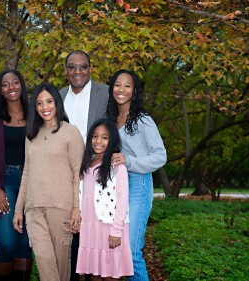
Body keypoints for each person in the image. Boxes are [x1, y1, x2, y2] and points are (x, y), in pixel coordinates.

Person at [13, 82, 84, 281]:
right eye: (39, 104)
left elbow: (77, 173)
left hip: (61, 208)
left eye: (49, 101)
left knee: (61, 270)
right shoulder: (31, 136)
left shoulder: (71, 132)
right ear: (34, 108)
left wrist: (77, 208)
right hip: (33, 209)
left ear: (57, 103)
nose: (45, 107)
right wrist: (18, 209)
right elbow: (27, 173)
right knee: (44, 262)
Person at [106, 70, 167, 281]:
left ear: (135, 91)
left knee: (131, 251)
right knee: (117, 249)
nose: (121, 90)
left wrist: (130, 161)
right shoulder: (110, 118)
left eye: (127, 86)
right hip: (115, 186)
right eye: (117, 85)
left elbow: (160, 156)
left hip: (138, 184)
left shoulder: (142, 120)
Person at [59, 50, 109, 281]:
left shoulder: (106, 94)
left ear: (90, 68)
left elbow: (116, 130)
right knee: (70, 239)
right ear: (66, 70)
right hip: (65, 178)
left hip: (96, 176)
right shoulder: (57, 97)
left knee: (93, 241)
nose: (77, 72)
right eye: (72, 67)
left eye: (83, 67)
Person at [0, 70, 33, 280]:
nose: (11, 88)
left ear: (22, 85)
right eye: (5, 84)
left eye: (15, 82)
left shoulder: (34, 115)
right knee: (7, 243)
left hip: (31, 182)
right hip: (5, 180)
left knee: (25, 245)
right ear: (0, 91)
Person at [76, 118, 134, 281]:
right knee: (93, 274)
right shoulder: (86, 164)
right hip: (89, 229)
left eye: (104, 137)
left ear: (112, 140)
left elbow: (122, 201)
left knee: (109, 275)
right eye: (94, 136)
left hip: (108, 228)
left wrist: (116, 231)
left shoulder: (117, 166)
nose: (98, 141)